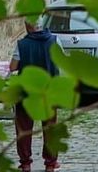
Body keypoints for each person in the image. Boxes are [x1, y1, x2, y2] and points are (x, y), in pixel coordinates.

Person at [9, 20, 61, 172]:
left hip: (27, 93)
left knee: (24, 128)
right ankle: (50, 163)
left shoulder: (22, 44)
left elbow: (13, 67)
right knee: (50, 128)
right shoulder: (55, 41)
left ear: (28, 27)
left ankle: (26, 163)